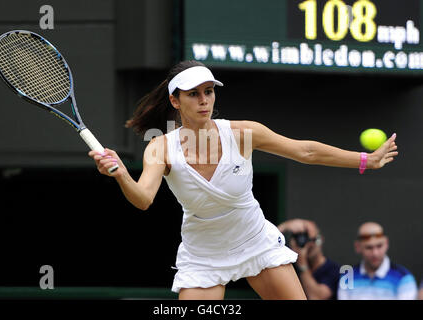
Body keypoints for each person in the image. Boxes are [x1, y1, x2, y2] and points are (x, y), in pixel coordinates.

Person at [88, 60, 398, 300]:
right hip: (203, 255)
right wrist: (122, 175)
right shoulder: (161, 147)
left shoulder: (242, 133)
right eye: (193, 94)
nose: (203, 100)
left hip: (255, 242)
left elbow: (306, 151)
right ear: (175, 101)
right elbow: (143, 199)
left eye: (208, 91)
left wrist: (365, 160)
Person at [338, 222, 418, 300]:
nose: (375, 253)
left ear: (386, 243)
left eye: (379, 246)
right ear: (357, 247)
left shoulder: (404, 277)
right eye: (369, 247)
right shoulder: (347, 276)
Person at [277, 219, 340, 300]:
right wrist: (284, 226)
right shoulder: (290, 267)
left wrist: (302, 263)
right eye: (303, 240)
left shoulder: (333, 269)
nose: (309, 245)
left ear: (321, 240)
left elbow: (317, 297)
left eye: (313, 240)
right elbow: (267, 247)